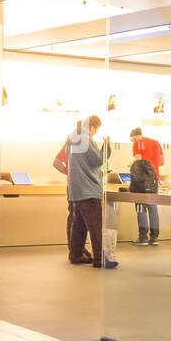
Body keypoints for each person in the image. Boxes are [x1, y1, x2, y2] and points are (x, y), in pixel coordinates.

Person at [64, 115, 116, 269]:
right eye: (96, 130)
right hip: (89, 189)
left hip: (75, 189)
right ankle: (100, 259)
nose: (95, 133)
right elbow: (98, 160)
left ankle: (76, 255)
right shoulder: (86, 138)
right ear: (92, 127)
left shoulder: (71, 138)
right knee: (95, 227)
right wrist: (106, 145)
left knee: (79, 225)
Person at [52, 141, 91, 262]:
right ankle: (75, 249)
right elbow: (56, 162)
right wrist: (69, 173)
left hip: (74, 185)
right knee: (76, 218)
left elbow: (56, 162)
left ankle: (76, 248)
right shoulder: (78, 144)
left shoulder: (71, 144)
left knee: (75, 217)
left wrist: (68, 172)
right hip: (78, 186)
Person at [129, 127, 163, 245]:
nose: (133, 142)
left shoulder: (138, 143)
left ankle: (142, 237)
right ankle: (154, 237)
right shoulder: (156, 143)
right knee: (153, 208)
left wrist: (131, 163)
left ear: (134, 136)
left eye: (132, 140)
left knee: (140, 208)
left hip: (141, 181)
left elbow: (138, 160)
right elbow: (162, 162)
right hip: (154, 180)